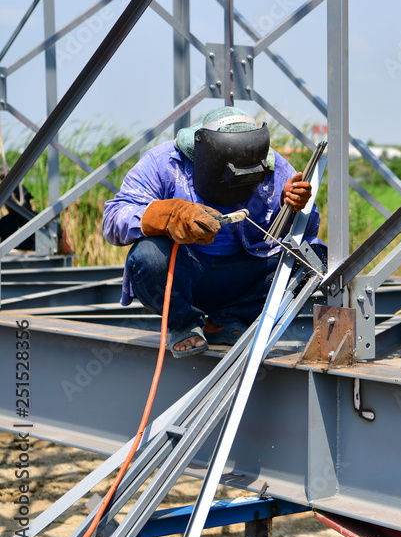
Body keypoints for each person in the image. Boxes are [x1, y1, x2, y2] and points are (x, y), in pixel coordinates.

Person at [103, 107, 325, 357]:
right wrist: (167, 215)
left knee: (312, 256)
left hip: (242, 277)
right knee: (148, 256)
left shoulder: (273, 167)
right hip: (184, 273)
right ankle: (184, 323)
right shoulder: (163, 162)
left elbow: (308, 233)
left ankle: (225, 321)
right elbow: (112, 220)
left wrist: (294, 208)